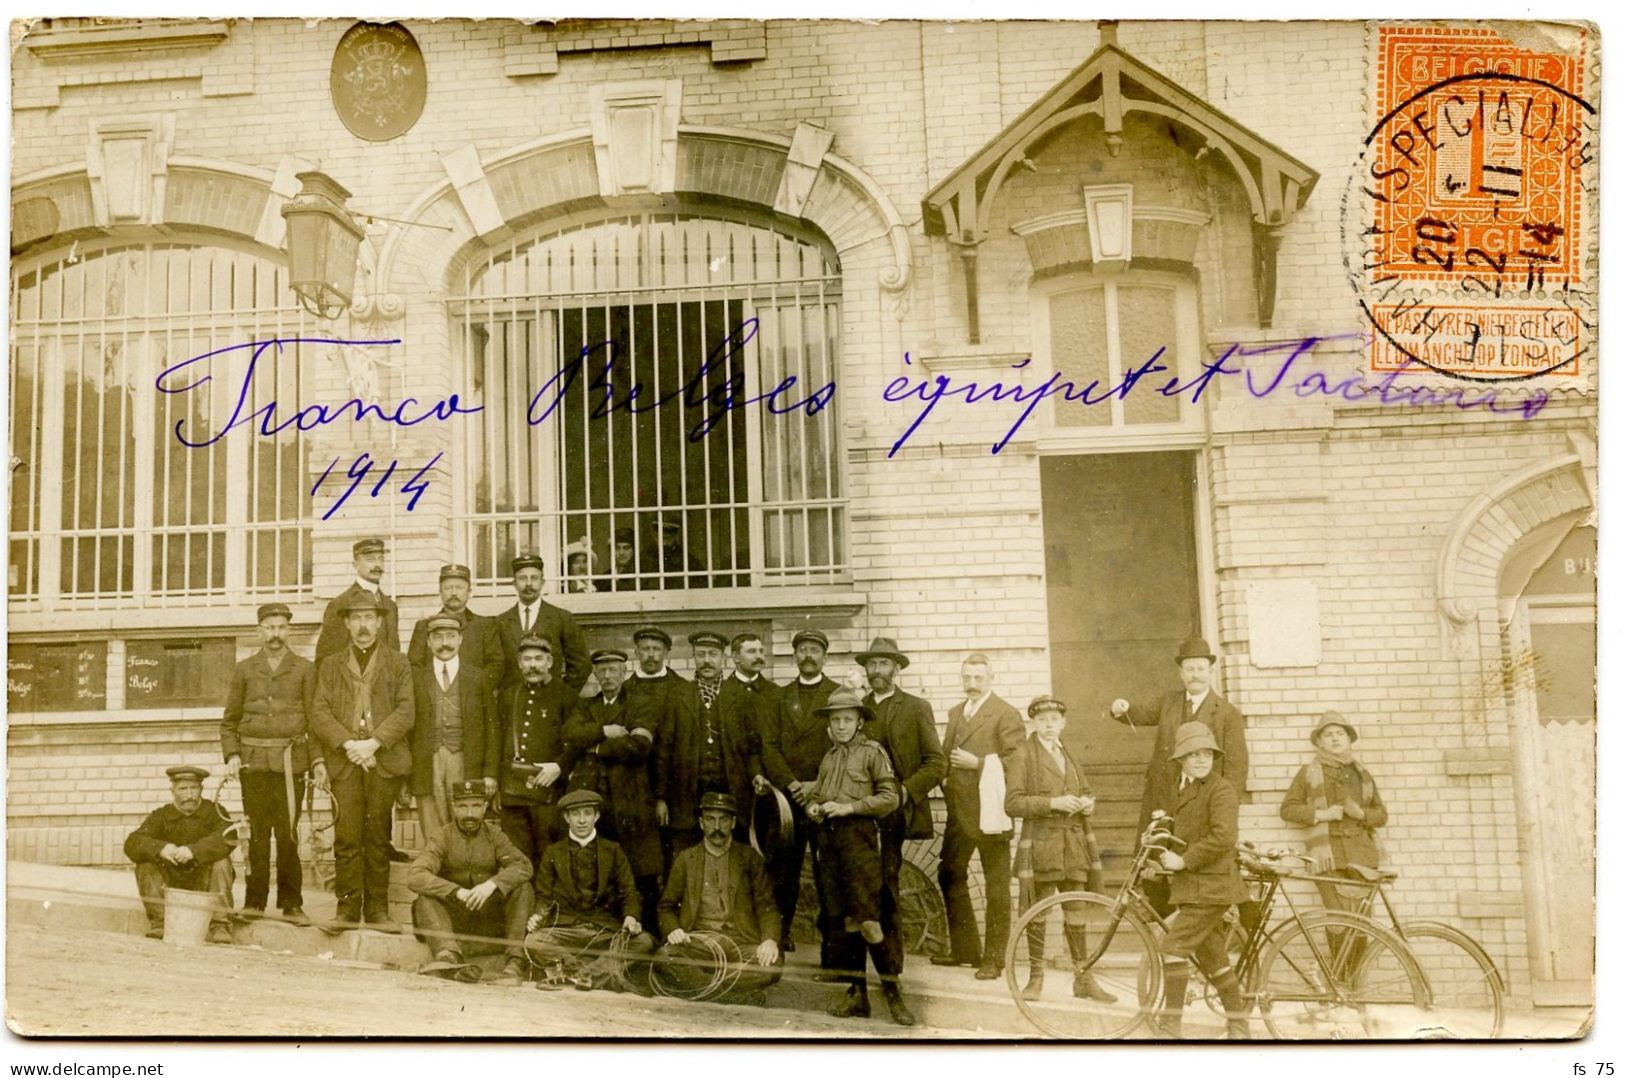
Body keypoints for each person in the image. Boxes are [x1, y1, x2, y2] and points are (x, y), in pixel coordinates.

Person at [310, 589, 416, 932]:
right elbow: (319, 711)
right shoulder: (331, 664)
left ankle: (377, 912)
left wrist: (373, 743)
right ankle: (346, 910)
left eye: (369, 618)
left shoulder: (398, 663)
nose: (363, 625)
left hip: (381, 760)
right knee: (347, 836)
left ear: (380, 622)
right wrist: (346, 744)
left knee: (377, 835)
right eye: (356, 619)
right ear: (346, 624)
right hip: (345, 761)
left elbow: (406, 710)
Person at [803, 689, 907, 1024]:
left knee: (869, 922)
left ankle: (894, 997)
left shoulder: (872, 752)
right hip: (829, 844)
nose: (842, 725)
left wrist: (849, 807)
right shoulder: (829, 758)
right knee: (847, 922)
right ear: (830, 725)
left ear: (859, 721)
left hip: (859, 841)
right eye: (836, 720)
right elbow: (816, 795)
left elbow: (890, 797)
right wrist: (813, 807)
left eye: (848, 719)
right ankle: (858, 997)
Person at [1002, 695, 1114, 1003]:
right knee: (1037, 914)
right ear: (1033, 723)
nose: (1050, 725)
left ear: (1063, 723)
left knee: (1076, 913)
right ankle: (1036, 978)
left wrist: (1088, 804)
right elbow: (1012, 803)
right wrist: (1053, 803)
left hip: (1074, 844)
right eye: (1043, 720)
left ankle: (1083, 978)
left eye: (1055, 719)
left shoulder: (1069, 752)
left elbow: (1086, 790)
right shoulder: (1023, 754)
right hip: (1043, 844)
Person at [220, 602, 318, 924]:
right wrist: (233, 755)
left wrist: (316, 761)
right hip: (255, 765)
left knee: (288, 836)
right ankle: (255, 902)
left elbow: (314, 721)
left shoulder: (304, 669)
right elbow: (229, 721)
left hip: (292, 766)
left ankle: (291, 904)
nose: (276, 634)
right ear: (259, 630)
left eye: (281, 627)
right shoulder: (244, 670)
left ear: (289, 630)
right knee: (258, 836)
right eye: (270, 627)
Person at [857, 637, 945, 993]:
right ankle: (856, 973)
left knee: (887, 887)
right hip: (860, 814)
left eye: (884, 664)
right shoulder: (856, 708)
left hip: (894, 814)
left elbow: (936, 762)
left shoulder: (915, 707)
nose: (877, 671)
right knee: (859, 892)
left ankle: (892, 969)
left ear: (896, 668)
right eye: (872, 665)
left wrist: (904, 792)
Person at [1154, 721, 1251, 1040]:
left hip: (1211, 886)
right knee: (1214, 960)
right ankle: (1239, 1026)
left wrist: (1183, 861)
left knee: (1172, 947)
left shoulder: (1219, 789)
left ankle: (1170, 1025)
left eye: (1206, 753)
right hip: (1198, 886)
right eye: (1193, 754)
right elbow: (1185, 833)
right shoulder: (1186, 787)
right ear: (1181, 758)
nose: (1201, 759)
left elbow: (1223, 837)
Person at [936, 653, 1025, 978]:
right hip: (959, 811)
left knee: (996, 886)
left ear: (991, 679)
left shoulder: (1005, 714)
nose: (971, 684)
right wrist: (946, 777)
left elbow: (1017, 761)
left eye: (978, 678)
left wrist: (979, 763)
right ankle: (965, 950)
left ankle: (993, 959)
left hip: (991, 812)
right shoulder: (956, 712)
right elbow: (946, 753)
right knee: (949, 873)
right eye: (967, 678)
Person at [655, 792, 783, 1006]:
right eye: (710, 819)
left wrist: (769, 940)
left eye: (723, 819)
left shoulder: (749, 858)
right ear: (701, 823)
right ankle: (732, 995)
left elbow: (767, 907)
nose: (717, 826)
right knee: (664, 956)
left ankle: (699, 987)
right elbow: (665, 907)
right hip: (699, 942)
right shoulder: (686, 859)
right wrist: (673, 930)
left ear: (733, 823)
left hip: (740, 942)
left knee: (773, 963)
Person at [1108, 636, 1250, 830]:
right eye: (1189, 669)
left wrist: (1225, 807)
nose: (1195, 675)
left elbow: (1237, 768)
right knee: (1157, 851)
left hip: (1204, 800)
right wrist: (1122, 708)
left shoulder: (1228, 713)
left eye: (1200, 669)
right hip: (1164, 795)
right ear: (1181, 673)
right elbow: (1141, 714)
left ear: (1210, 672)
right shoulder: (1169, 702)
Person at [564, 648, 662, 924]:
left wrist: (593, 749)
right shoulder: (586, 706)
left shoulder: (640, 703)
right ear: (595, 673)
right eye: (602, 670)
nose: (607, 676)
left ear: (624, 672)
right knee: (602, 868)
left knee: (639, 870)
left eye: (613, 670)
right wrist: (605, 732)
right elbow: (571, 735)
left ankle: (646, 932)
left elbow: (639, 746)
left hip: (631, 799)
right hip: (598, 802)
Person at [524, 789, 655, 992]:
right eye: (576, 814)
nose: (582, 820)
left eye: (587, 813)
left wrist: (630, 917)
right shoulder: (553, 852)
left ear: (597, 816)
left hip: (603, 930)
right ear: (567, 818)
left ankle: (576, 974)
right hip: (566, 930)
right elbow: (544, 896)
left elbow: (629, 891)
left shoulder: (613, 850)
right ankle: (593, 974)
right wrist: (538, 916)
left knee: (643, 942)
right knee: (534, 940)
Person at [760, 628, 839, 959]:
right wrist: (790, 783)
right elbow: (770, 745)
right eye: (802, 649)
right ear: (795, 655)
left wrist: (816, 785)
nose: (808, 655)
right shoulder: (779, 697)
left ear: (824, 656)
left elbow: (841, 744)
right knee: (784, 872)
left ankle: (832, 948)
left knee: (828, 875)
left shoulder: (838, 695)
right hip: (789, 800)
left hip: (825, 797)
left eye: (814, 650)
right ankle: (780, 935)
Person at [407, 780, 534, 985]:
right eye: (463, 806)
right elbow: (415, 875)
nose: (470, 814)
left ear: (485, 807)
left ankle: (515, 961)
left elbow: (523, 865)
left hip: (487, 918)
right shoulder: (442, 836)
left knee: (522, 887)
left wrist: (491, 885)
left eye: (476, 806)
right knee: (424, 896)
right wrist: (456, 891)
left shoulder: (495, 835)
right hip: (454, 919)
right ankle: (448, 956)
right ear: (454, 808)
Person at [655, 631, 766, 861]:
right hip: (686, 796)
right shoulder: (677, 695)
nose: (707, 660)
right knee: (685, 858)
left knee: (733, 858)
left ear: (723, 659)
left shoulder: (739, 696)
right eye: (701, 654)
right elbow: (664, 749)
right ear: (693, 657)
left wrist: (756, 774)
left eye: (713, 655)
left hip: (731, 792)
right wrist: (661, 797)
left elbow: (753, 746)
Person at [1279, 711, 1387, 912]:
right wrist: (1323, 815)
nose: (1335, 738)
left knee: (1362, 922)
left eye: (1340, 733)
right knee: (1337, 923)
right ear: (1319, 742)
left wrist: (1361, 814)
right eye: (1328, 735)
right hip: (1328, 859)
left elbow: (1381, 815)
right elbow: (1288, 809)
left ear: (1348, 739)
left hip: (1362, 857)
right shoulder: (1308, 773)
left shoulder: (1362, 774)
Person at [124, 765, 239, 942]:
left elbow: (228, 836)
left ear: (201, 789)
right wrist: (161, 848)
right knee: (145, 865)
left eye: (194, 788)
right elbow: (133, 842)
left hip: (203, 880)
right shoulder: (162, 815)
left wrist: (194, 851)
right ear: (173, 791)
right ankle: (160, 923)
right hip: (171, 882)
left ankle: (220, 925)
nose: (189, 795)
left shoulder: (215, 811)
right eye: (183, 789)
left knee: (222, 863)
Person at [410, 614, 498, 844]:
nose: (444, 643)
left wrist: (489, 772)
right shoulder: (415, 678)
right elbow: (407, 729)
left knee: (466, 826)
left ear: (460, 639)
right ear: (428, 642)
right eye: (437, 637)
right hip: (427, 762)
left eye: (450, 636)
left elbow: (492, 727)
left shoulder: (477, 677)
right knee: (433, 833)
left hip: (464, 759)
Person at [496, 634, 574, 871]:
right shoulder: (510, 695)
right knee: (517, 856)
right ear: (519, 664)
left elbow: (577, 742)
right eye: (527, 659)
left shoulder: (565, 695)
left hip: (549, 793)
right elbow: (499, 742)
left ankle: (548, 905)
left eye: (539, 659)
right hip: (513, 794)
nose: (533, 665)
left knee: (549, 855)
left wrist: (560, 766)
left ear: (549, 662)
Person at [492, 552, 591, 696]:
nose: (528, 584)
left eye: (534, 578)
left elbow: (582, 665)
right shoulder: (501, 622)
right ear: (514, 583)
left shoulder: (561, 618)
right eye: (522, 578)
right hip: (513, 704)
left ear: (542, 582)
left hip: (551, 703)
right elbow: (496, 666)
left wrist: (561, 693)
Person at [406, 564, 504, 694]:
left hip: (475, 697)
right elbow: (414, 667)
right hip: (435, 698)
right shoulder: (424, 626)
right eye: (448, 588)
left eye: (459, 587)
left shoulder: (485, 626)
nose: (453, 593)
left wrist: (476, 690)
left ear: (469, 592)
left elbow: (496, 665)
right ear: (440, 592)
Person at [315, 538, 401, 661]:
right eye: (370, 559)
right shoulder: (339, 604)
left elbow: (395, 653)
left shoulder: (390, 606)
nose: (377, 565)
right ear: (355, 565)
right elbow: (326, 660)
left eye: (381, 559)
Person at [643, 518, 707, 589]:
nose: (664, 543)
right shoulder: (645, 558)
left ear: (675, 536)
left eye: (667, 538)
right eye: (660, 537)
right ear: (655, 536)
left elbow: (703, 583)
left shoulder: (687, 560)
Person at [601, 527, 641, 592]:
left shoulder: (640, 575)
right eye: (617, 548)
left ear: (634, 551)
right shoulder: (603, 579)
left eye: (626, 548)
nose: (621, 553)